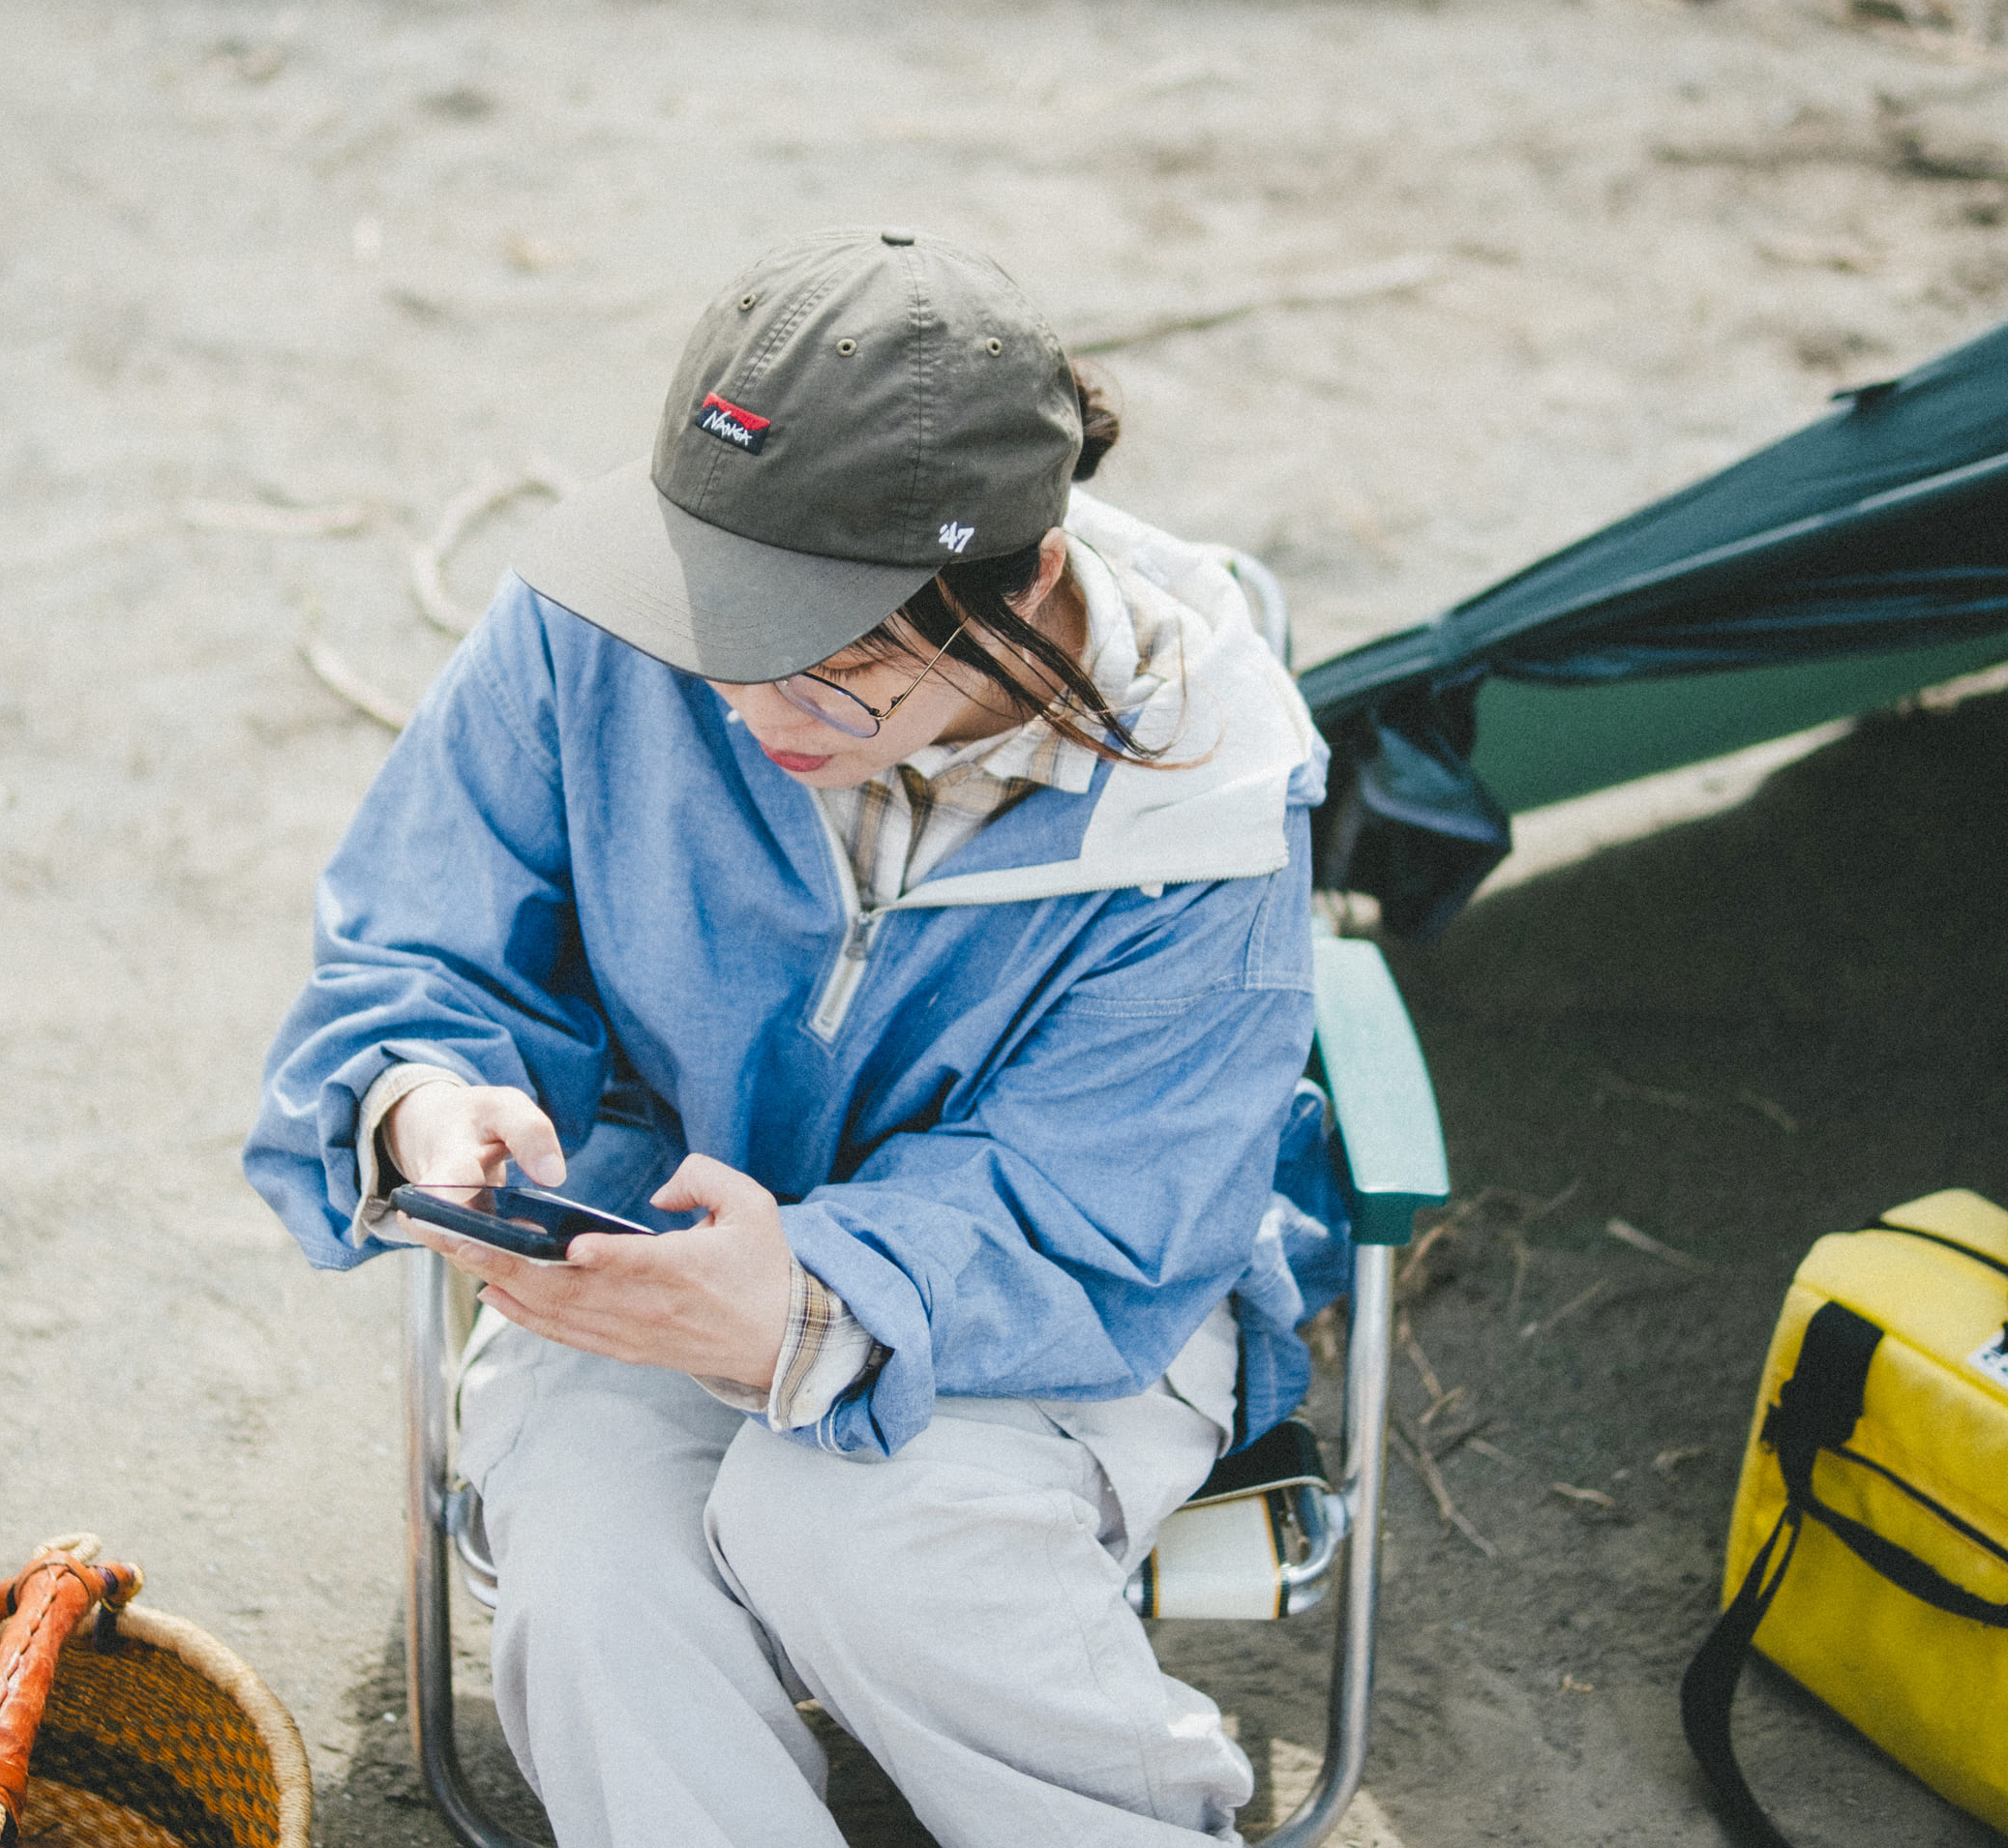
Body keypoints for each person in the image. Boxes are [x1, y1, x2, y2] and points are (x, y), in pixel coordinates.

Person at [247, 227, 1348, 1845]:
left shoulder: (1208, 799)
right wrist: (428, 1097)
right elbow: (418, 931)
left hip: (1053, 1307)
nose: (747, 708)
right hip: (638, 1234)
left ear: (1025, 589)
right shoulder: (596, 627)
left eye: (830, 668)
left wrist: (812, 1300)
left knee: (854, 1530)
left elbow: (1118, 1205)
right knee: (603, 1588)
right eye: (715, 624)